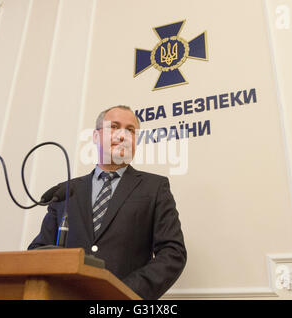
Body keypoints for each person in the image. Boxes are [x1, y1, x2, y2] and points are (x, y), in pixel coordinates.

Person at [28, 105, 186, 300]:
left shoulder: (155, 187)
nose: (122, 136)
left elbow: (173, 253)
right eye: (114, 127)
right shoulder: (66, 191)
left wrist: (122, 292)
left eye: (130, 130)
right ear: (95, 136)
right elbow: (38, 249)